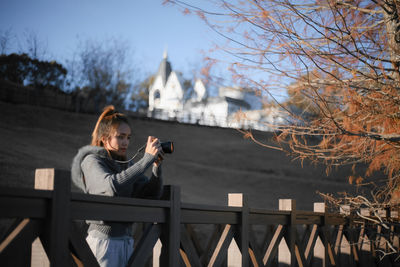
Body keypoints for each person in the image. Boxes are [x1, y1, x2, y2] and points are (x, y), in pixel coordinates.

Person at [71, 105, 164, 267]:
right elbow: (110, 187)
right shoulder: (92, 161)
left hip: (127, 242)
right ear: (105, 138)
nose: (125, 142)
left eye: (128, 137)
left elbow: (151, 194)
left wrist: (156, 166)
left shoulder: (127, 165)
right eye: (120, 137)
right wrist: (145, 161)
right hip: (103, 243)